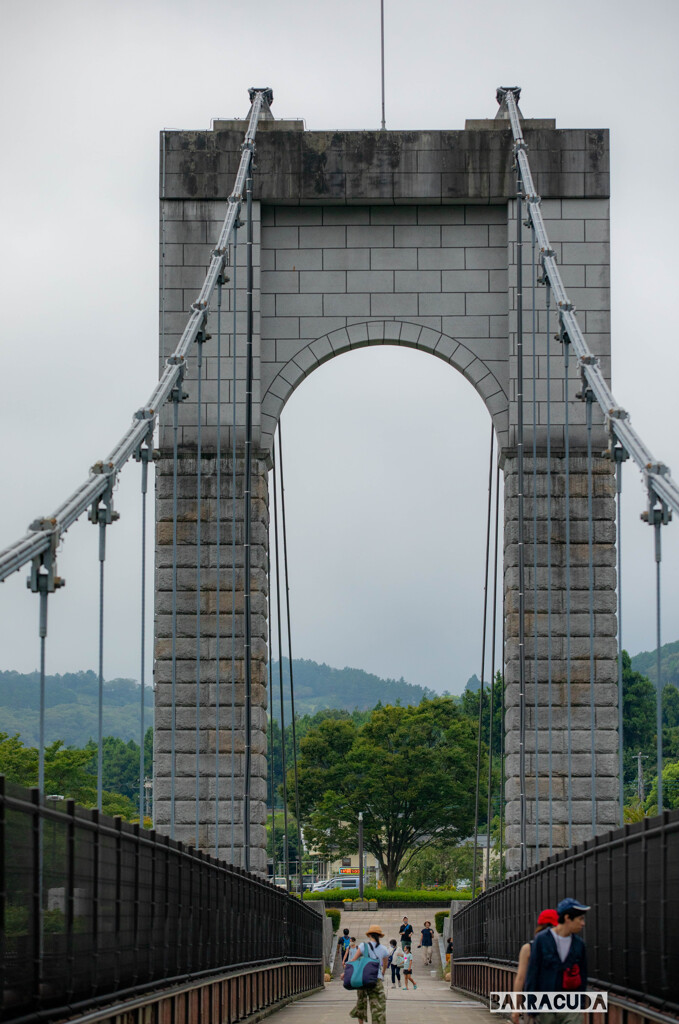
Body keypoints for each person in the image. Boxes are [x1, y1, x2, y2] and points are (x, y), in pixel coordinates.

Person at [525, 898, 589, 1024]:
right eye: (580, 919)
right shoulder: (542, 940)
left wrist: (580, 1003)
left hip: (570, 1006)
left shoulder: (579, 944)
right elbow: (533, 974)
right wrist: (531, 1007)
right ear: (567, 918)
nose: (583, 923)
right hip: (545, 1006)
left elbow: (583, 975)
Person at [511, 908, 558, 1024]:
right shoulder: (563, 947)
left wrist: (516, 1008)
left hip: (534, 1002)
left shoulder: (528, 948)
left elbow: (520, 978)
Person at [348, 925, 390, 1024]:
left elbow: (353, 960)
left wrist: (346, 973)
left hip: (362, 979)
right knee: (379, 1005)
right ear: (379, 936)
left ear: (369, 935)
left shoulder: (363, 946)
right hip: (376, 979)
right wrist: (382, 973)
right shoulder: (384, 949)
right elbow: (385, 964)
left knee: (361, 1003)